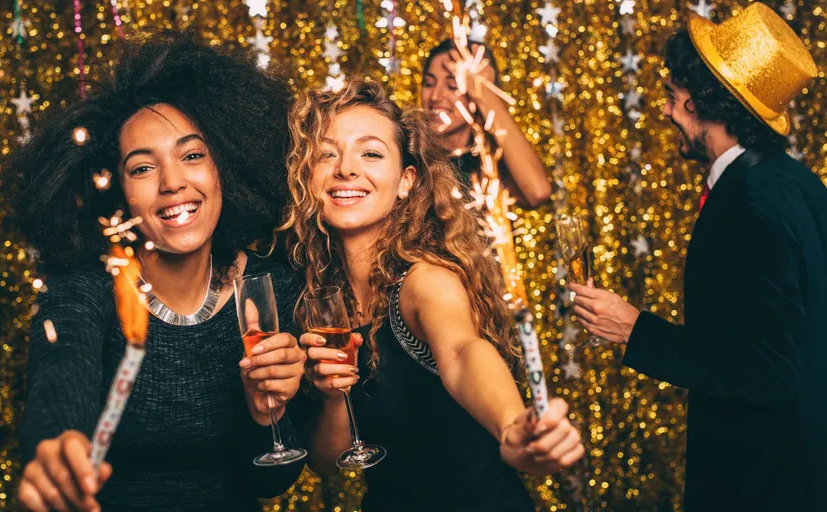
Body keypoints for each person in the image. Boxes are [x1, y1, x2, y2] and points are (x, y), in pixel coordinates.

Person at [8, 31, 307, 511]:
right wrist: (54, 448)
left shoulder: (272, 289)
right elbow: (61, 376)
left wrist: (264, 414)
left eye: (192, 156)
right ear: (118, 192)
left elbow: (274, 482)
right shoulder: (87, 287)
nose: (173, 183)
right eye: (142, 168)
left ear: (224, 167)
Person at [280, 79, 584, 510]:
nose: (346, 168)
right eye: (327, 153)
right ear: (308, 177)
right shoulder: (322, 297)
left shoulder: (423, 280)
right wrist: (332, 396)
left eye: (370, 152)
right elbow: (328, 464)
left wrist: (513, 426)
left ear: (406, 181)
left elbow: (462, 352)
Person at [569, 4, 825, 510]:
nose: (664, 111)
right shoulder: (796, 184)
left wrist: (635, 329)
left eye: (672, 96)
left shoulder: (748, 205)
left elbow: (767, 372)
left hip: (762, 478)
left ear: (707, 103)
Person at [420, 39, 552, 207]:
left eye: (453, 85)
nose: (435, 97)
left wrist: (486, 95)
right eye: (428, 83)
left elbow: (538, 191)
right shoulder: (413, 156)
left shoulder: (492, 164)